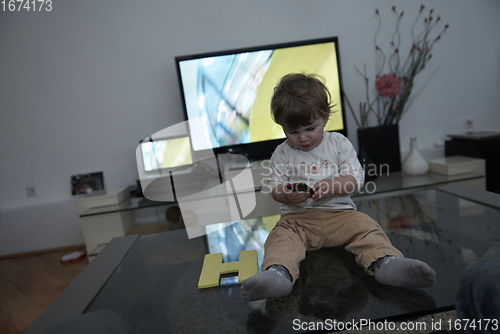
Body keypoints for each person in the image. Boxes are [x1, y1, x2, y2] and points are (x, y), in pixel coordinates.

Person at [241, 73, 436, 302]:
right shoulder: (282, 153)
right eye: (292, 132)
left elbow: (356, 178)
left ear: (324, 117)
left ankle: (387, 263)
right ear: (282, 127)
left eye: (310, 128)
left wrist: (334, 185)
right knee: (280, 238)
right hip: (298, 220)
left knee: (366, 227)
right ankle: (278, 274)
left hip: (341, 216)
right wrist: (287, 194)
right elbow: (275, 188)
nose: (303, 138)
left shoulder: (338, 143)